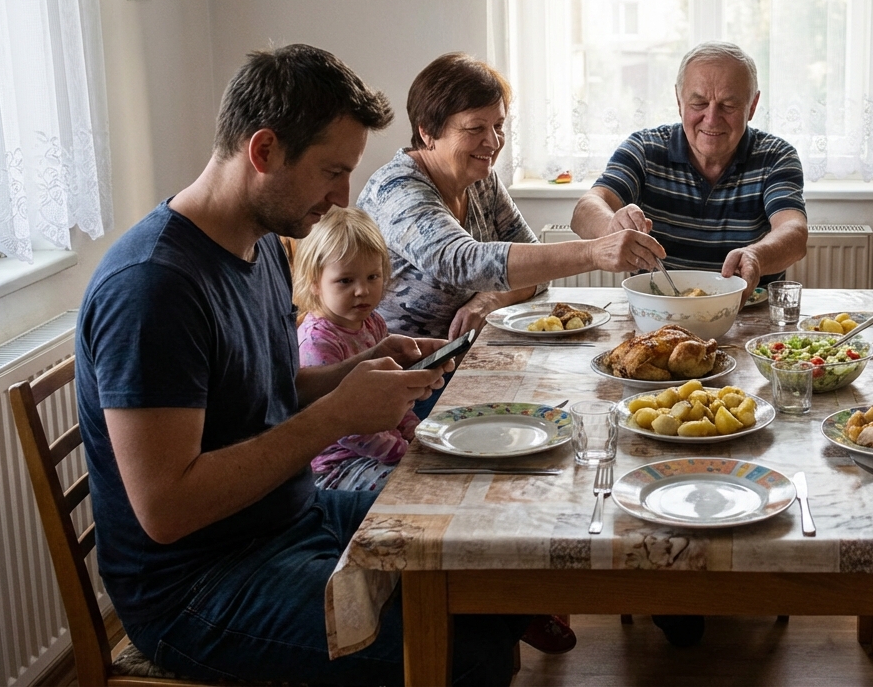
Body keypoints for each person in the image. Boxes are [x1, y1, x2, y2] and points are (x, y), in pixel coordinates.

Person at [75, 44, 527, 685]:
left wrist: (357, 368)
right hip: (198, 586)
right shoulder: (153, 288)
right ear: (263, 152)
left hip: (288, 516)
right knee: (464, 645)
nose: (344, 197)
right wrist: (336, 416)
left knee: (495, 570)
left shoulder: (255, 245)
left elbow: (260, 391)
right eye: (330, 172)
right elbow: (167, 506)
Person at [357, 52, 665, 341]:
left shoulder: (481, 179)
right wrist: (595, 252)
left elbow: (535, 273)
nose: (492, 141)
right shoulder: (396, 188)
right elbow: (464, 263)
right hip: (399, 370)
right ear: (427, 132)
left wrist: (487, 300)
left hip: (463, 357)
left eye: (499, 125)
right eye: (476, 128)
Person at [570, 41, 808, 302]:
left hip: (748, 315)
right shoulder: (644, 149)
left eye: (728, 105)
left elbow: (795, 232)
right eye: (699, 103)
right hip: (658, 316)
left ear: (752, 106)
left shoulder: (776, 156)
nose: (711, 118)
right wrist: (611, 226)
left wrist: (756, 256)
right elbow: (585, 209)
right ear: (679, 100)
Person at [293, 207, 417, 492]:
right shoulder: (317, 341)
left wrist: (413, 429)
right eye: (346, 281)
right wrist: (402, 450)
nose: (362, 290)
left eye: (372, 277)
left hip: (383, 447)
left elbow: (396, 389)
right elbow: (346, 427)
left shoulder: (373, 322)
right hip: (339, 467)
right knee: (409, 488)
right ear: (315, 282)